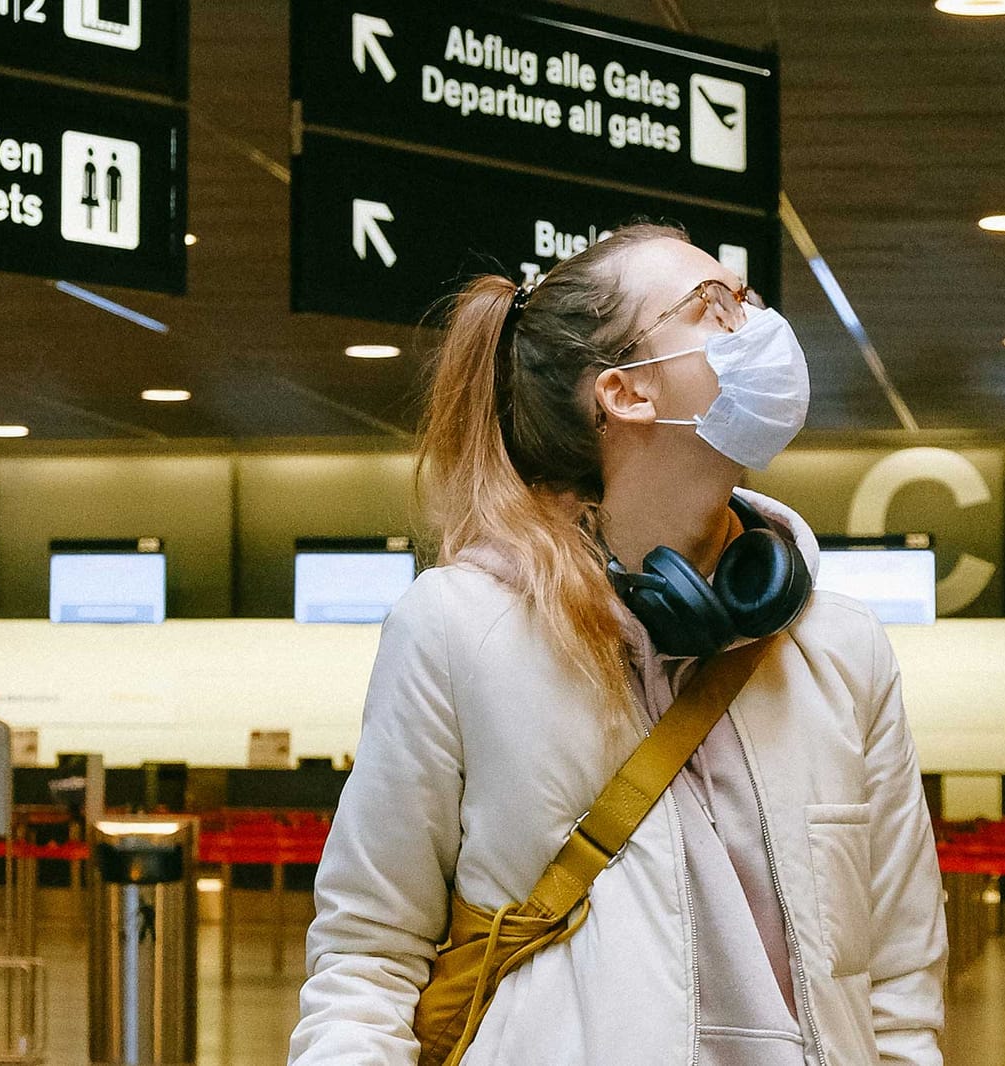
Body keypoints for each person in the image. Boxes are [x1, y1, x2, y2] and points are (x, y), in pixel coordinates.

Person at [289, 224, 946, 1066]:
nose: (760, 325)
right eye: (716, 307)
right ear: (626, 393)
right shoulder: (457, 630)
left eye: (748, 299)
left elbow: (900, 979)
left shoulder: (843, 648)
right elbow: (367, 957)